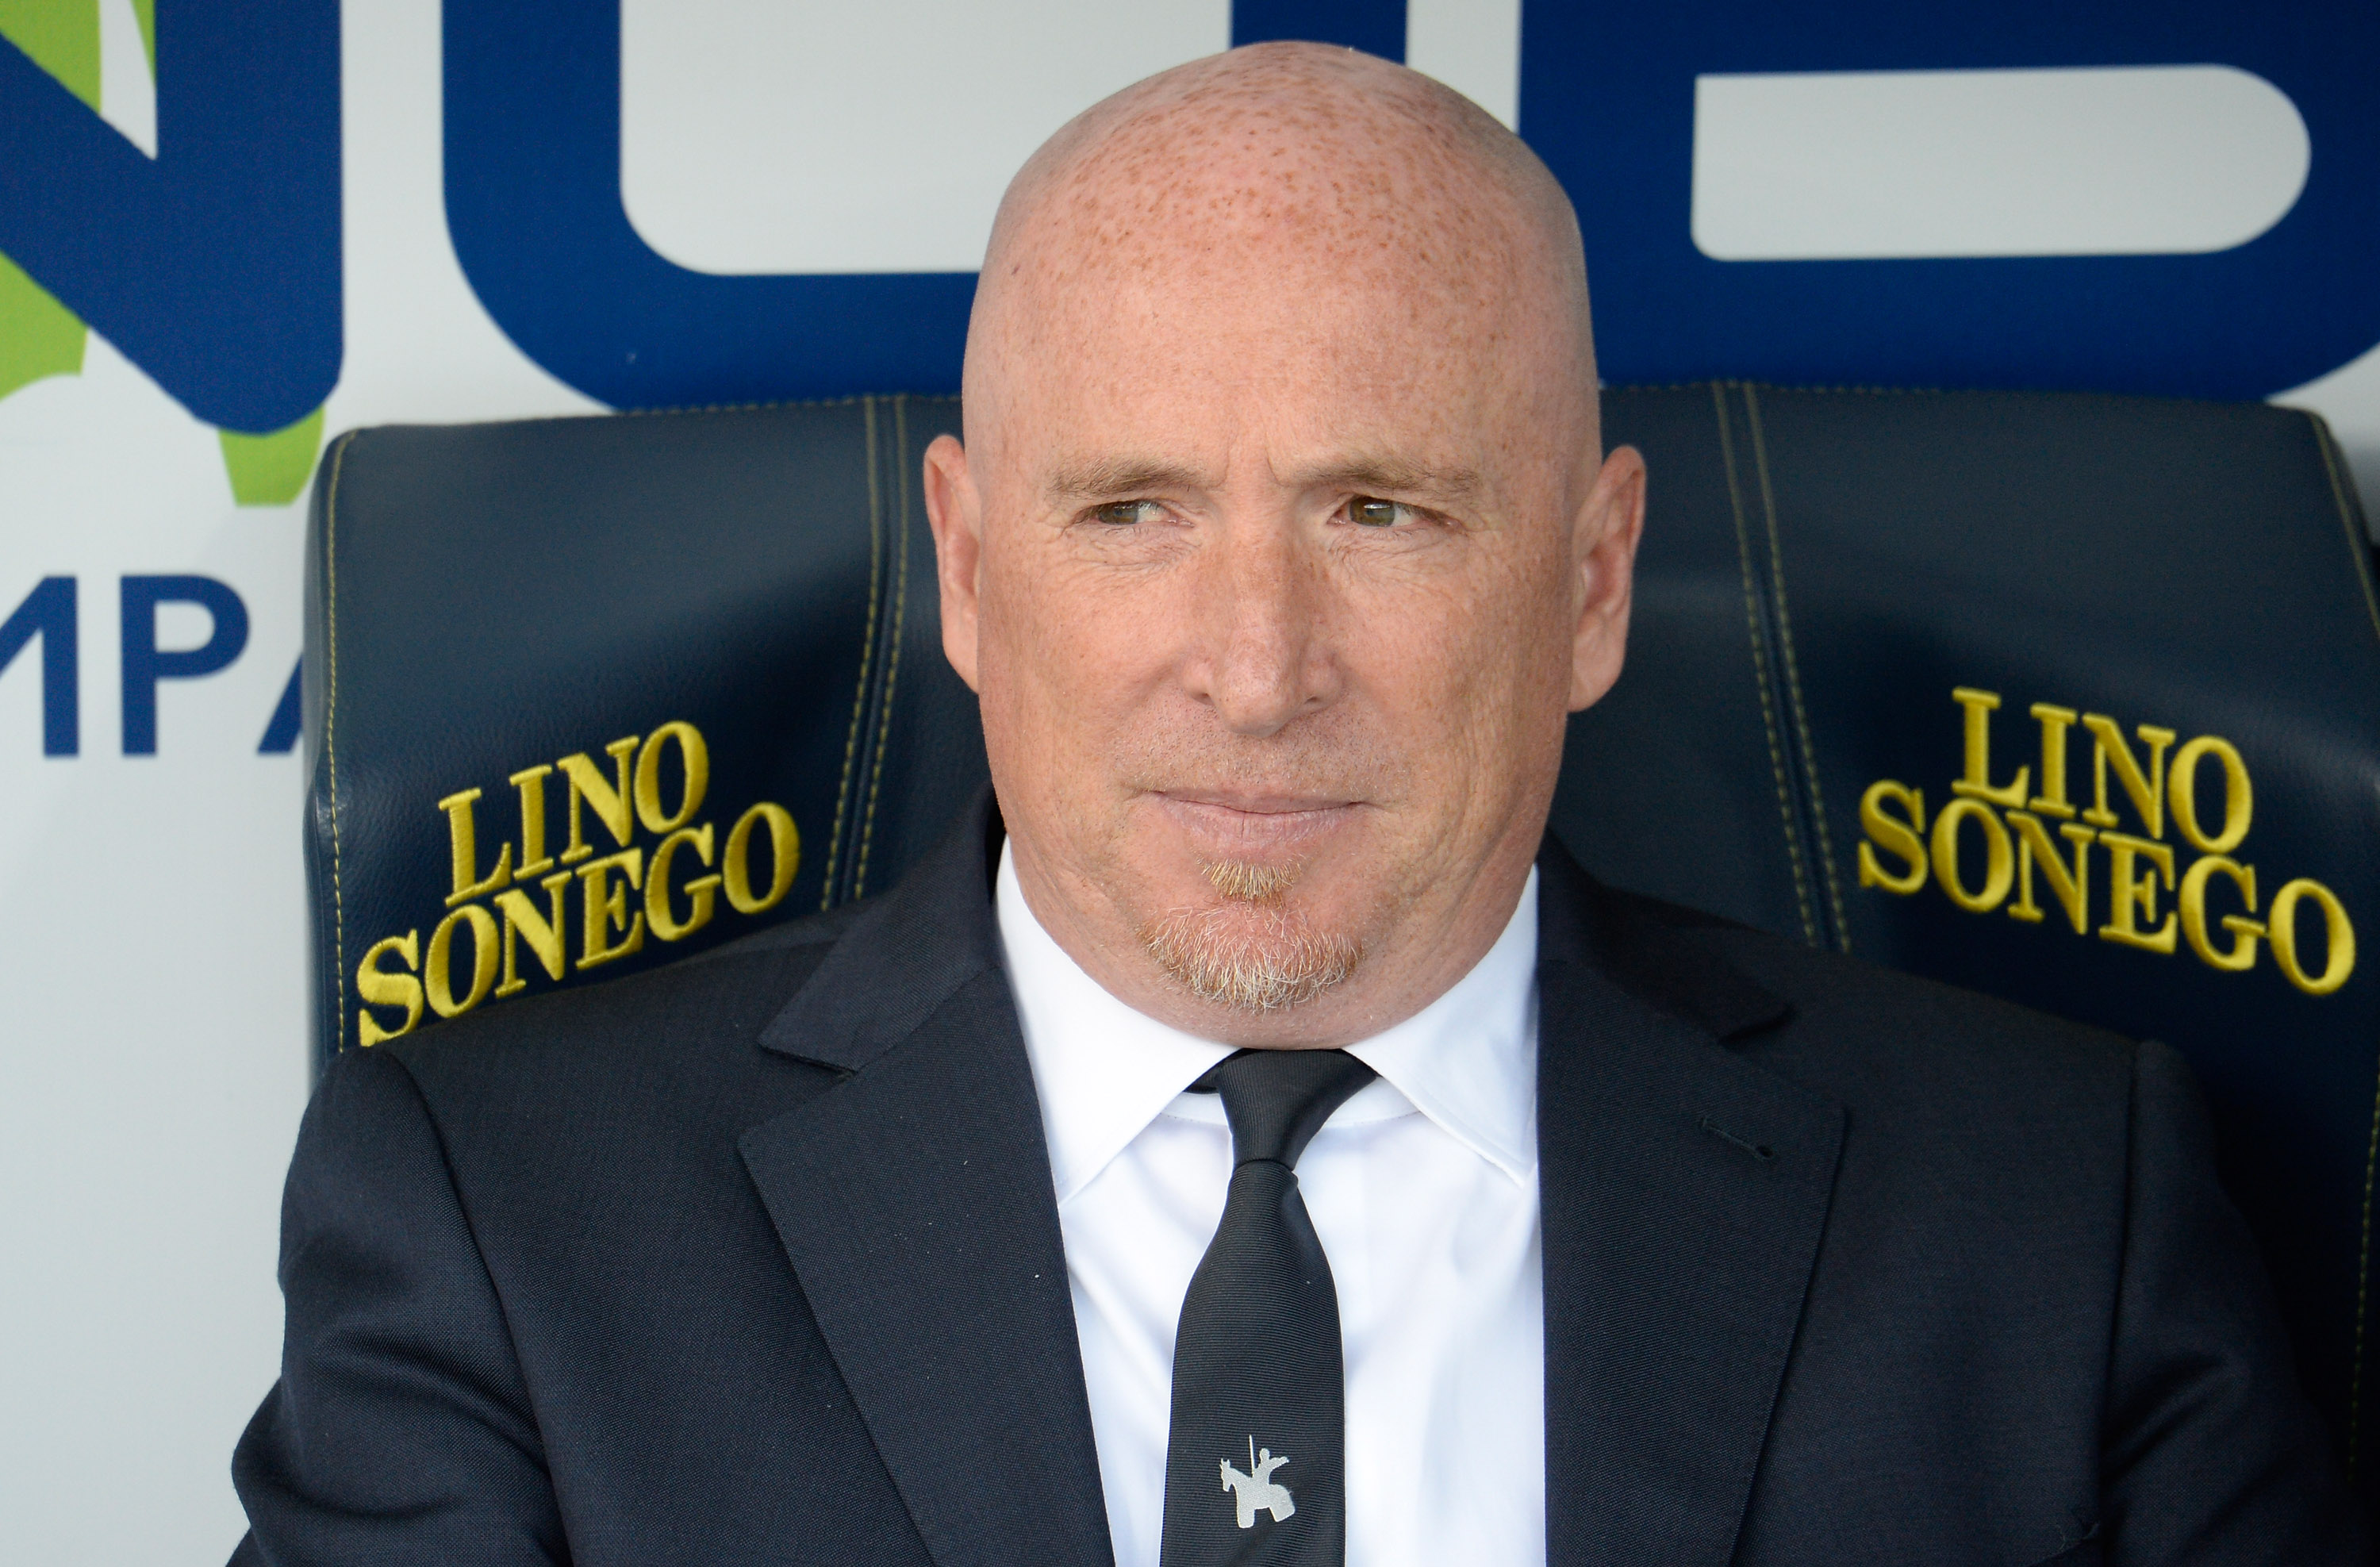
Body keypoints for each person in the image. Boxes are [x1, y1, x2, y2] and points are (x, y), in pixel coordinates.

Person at [228, 41, 2366, 1567]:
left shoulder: (2051, 1214)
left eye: (1384, 510)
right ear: (966, 570)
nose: (1256, 671)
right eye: (1132, 510)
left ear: (1593, 581)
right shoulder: (507, 1223)